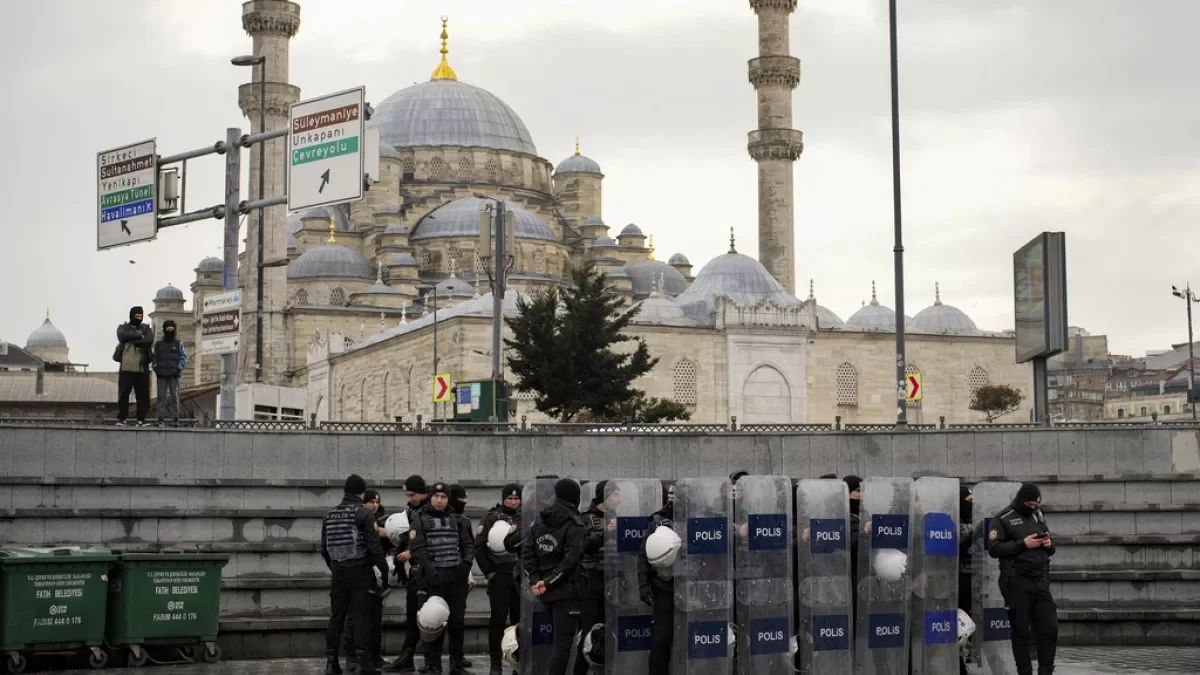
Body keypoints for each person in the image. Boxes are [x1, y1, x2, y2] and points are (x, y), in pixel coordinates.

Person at [987, 482, 1057, 675]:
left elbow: (1051, 550)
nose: (1034, 508)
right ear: (1021, 501)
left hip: (1040, 578)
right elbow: (994, 549)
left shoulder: (1038, 515)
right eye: (1031, 505)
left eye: (1037, 505)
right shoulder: (1002, 518)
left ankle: (1046, 670)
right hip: (1016, 580)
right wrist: (1023, 544)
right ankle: (1024, 671)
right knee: (1021, 631)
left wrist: (1049, 544)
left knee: (1049, 628)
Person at [322, 474, 388, 675]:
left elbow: (324, 549)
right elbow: (374, 548)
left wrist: (335, 568)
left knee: (337, 618)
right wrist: (384, 573)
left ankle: (332, 663)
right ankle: (362, 664)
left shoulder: (330, 515)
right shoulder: (363, 514)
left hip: (338, 571)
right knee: (361, 617)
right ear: (361, 493)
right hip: (360, 571)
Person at [522, 478, 586, 675]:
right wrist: (548, 583)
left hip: (546, 591)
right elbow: (571, 560)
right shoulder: (574, 523)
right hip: (566, 592)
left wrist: (536, 580)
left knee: (558, 642)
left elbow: (528, 553)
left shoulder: (540, 521)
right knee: (563, 644)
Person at [409, 482, 474, 675]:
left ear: (448, 499)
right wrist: (431, 570)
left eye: (443, 497)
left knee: (457, 622)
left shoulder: (459, 519)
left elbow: (468, 546)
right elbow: (417, 549)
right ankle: (432, 665)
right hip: (431, 579)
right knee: (432, 621)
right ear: (430, 497)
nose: (439, 500)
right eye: (436, 496)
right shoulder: (419, 518)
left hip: (455, 578)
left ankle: (456, 664)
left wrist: (465, 565)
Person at [384, 476, 429, 673]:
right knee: (412, 617)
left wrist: (412, 552)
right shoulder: (411, 511)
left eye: (412, 494)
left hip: (432, 572)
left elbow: (433, 540)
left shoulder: (431, 512)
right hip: (416, 572)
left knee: (430, 617)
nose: (409, 498)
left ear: (423, 493)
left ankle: (430, 660)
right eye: (407, 495)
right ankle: (407, 656)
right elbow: (406, 537)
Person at [476, 484, 523, 675]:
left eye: (516, 499)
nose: (512, 502)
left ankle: (519, 662)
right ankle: (495, 663)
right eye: (509, 499)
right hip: (500, 575)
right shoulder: (490, 517)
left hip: (520, 577)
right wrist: (488, 572)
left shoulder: (526, 517)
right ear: (503, 499)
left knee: (520, 620)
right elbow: (479, 547)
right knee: (498, 620)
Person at [344, 490, 391, 673]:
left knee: (375, 618)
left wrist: (387, 534)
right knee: (354, 618)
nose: (375, 505)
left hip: (376, 575)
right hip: (359, 572)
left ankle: (374, 656)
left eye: (377, 502)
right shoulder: (356, 520)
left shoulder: (382, 520)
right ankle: (352, 657)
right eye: (371, 501)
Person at [575, 480, 614, 675]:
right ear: (604, 497)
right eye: (615, 495)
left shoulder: (617, 517)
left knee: (609, 631)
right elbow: (585, 546)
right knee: (588, 630)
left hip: (613, 582)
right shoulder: (585, 518)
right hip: (591, 582)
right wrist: (607, 532)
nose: (620, 500)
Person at [638, 484, 675, 675]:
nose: (672, 499)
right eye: (669, 495)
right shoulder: (657, 520)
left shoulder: (698, 517)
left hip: (692, 588)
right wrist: (643, 585)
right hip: (664, 587)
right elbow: (644, 554)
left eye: (675, 495)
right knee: (661, 640)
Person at [114, 306, 153, 426]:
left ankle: (141, 419)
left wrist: (133, 340)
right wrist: (139, 336)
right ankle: (122, 418)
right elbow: (121, 336)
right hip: (126, 367)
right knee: (123, 393)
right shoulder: (122, 327)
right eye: (137, 316)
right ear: (131, 316)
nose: (139, 318)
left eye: (141, 316)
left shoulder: (146, 328)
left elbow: (149, 340)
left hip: (142, 366)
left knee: (143, 395)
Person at [150, 319, 186, 426]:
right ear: (164, 330)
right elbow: (154, 358)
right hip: (161, 375)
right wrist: (156, 368)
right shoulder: (158, 345)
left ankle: (175, 419)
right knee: (161, 397)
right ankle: (160, 419)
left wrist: (179, 368)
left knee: (174, 397)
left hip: (174, 375)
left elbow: (183, 357)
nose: (170, 330)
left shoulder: (179, 344)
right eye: (168, 328)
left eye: (172, 328)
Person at [958, 485, 977, 675]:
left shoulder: (974, 521)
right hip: (961, 578)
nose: (972, 506)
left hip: (978, 579)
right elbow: (958, 543)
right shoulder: (951, 522)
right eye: (969, 502)